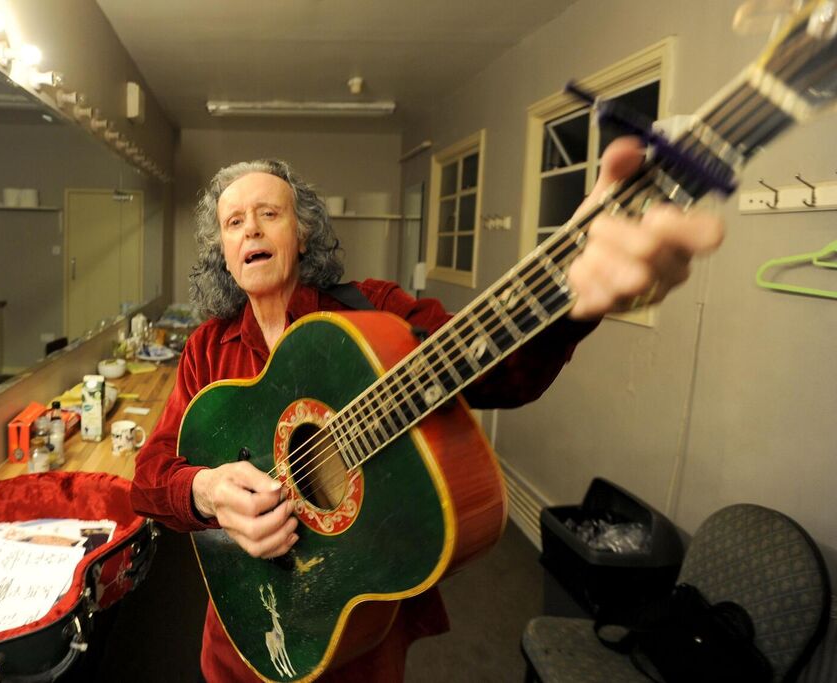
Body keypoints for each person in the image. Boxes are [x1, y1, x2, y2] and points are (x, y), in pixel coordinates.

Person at [130, 138, 724, 682]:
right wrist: (205, 489)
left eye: (270, 213)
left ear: (301, 233)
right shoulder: (207, 347)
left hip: (354, 630)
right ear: (225, 254)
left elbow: (500, 369)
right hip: (240, 636)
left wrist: (567, 293)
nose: (252, 230)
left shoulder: (373, 314)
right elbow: (150, 476)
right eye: (234, 222)